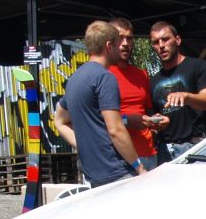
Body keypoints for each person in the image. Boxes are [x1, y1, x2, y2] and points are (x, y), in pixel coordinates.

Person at [54, 21, 146, 186]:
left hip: (93, 173)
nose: (121, 48)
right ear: (109, 46)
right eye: (117, 44)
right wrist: (139, 167)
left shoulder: (74, 79)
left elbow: (59, 121)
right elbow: (115, 129)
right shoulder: (105, 77)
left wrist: (84, 146)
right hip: (117, 171)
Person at [149, 21, 206, 162]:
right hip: (166, 150)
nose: (161, 45)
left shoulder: (198, 66)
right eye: (156, 42)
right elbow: (153, 119)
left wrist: (187, 97)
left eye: (165, 39)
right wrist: (157, 123)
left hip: (196, 146)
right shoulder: (153, 81)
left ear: (178, 40)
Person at [109, 17, 160, 171]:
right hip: (119, 157)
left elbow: (147, 111)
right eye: (120, 37)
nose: (125, 43)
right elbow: (96, 120)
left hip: (148, 153)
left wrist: (156, 121)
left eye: (129, 38)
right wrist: (126, 121)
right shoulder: (102, 74)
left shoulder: (141, 74)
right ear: (109, 40)